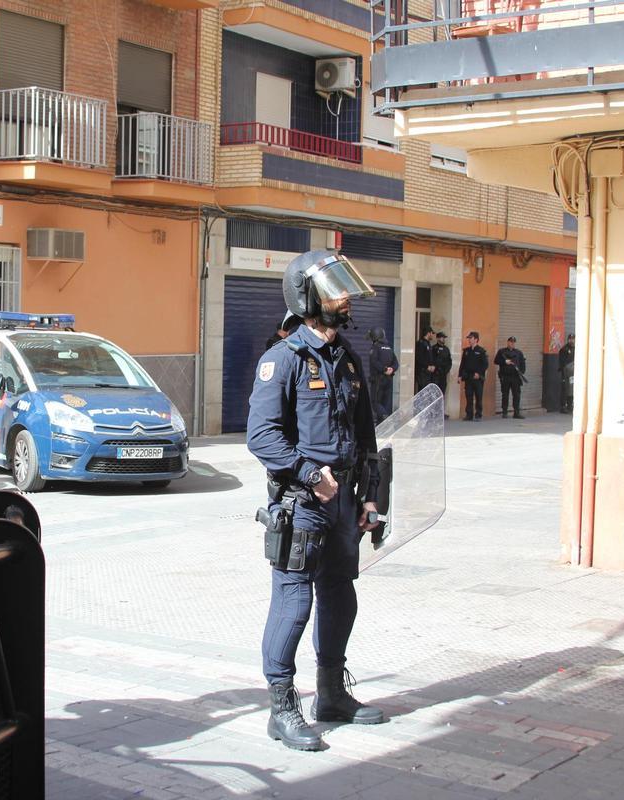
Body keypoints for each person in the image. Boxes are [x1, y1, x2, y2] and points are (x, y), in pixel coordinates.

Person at [247, 249, 385, 752]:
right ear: (307, 297)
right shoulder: (280, 361)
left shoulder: (346, 357)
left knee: (340, 594)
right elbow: (261, 437)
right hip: (302, 503)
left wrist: (370, 496)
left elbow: (366, 434)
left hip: (345, 501)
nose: (344, 296)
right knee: (294, 600)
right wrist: (309, 475)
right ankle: (282, 708)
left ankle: (331, 695)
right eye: (334, 289)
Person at [367, 327, 398, 423]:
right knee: (384, 402)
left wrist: (384, 369)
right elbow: (396, 363)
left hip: (378, 380)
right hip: (388, 379)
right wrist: (391, 369)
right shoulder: (389, 348)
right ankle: (381, 424)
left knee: (375, 402)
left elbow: (374, 362)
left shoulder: (375, 347)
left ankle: (385, 417)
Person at [458, 331, 488, 421]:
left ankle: (478, 414)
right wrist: (460, 375)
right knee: (469, 396)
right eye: (469, 338)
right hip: (468, 377)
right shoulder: (466, 351)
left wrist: (478, 373)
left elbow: (485, 364)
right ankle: (469, 414)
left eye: (471, 338)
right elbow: (462, 364)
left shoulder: (481, 351)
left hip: (478, 378)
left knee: (478, 396)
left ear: (476, 339)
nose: (469, 340)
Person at [494, 336, 527, 419]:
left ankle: (516, 413)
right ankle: (504, 412)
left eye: (513, 342)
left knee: (516, 395)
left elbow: (522, 364)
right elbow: (496, 361)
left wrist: (521, 373)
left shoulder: (519, 352)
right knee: (505, 395)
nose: (512, 343)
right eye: (510, 342)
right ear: (507, 342)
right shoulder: (502, 352)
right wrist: (504, 361)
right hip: (505, 377)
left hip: (515, 377)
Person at [431, 331, 452, 418]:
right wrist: (435, 369)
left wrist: (445, 371)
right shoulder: (433, 349)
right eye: (442, 337)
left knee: (442, 393)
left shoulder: (446, 349)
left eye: (444, 338)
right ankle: (433, 412)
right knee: (434, 394)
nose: (443, 339)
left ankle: (440, 412)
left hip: (443, 375)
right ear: (438, 338)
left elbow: (449, 362)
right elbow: (431, 360)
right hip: (435, 375)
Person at [558, 333, 575, 413]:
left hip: (573, 373)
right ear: (568, 339)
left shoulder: (575, 349)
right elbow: (561, 363)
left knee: (571, 389)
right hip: (565, 373)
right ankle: (563, 407)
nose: (572, 340)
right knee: (565, 389)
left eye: (573, 339)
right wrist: (563, 373)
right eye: (570, 339)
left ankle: (570, 405)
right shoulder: (564, 349)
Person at [414, 328, 434, 394]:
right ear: (428, 333)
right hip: (422, 372)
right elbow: (419, 358)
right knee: (422, 391)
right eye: (432, 333)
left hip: (428, 372)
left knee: (427, 392)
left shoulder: (428, 344)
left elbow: (429, 358)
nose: (432, 335)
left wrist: (432, 366)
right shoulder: (421, 343)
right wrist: (426, 366)